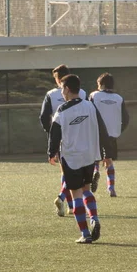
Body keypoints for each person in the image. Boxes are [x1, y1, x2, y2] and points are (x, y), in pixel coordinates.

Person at [47, 74, 114, 243]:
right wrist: (108, 152)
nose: (62, 92)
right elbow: (102, 129)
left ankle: (85, 234)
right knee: (87, 190)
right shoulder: (91, 106)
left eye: (62, 88)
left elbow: (55, 134)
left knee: (76, 194)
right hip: (90, 156)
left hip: (71, 157)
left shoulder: (62, 110)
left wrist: (51, 152)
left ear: (67, 89)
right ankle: (94, 219)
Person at [39, 64, 87, 217]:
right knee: (79, 172)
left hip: (60, 138)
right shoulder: (83, 93)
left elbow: (43, 117)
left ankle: (69, 203)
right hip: (80, 137)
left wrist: (52, 133)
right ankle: (68, 202)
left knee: (65, 170)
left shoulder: (51, 94)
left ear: (58, 79)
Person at [89, 73, 130, 197]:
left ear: (100, 84)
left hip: (96, 132)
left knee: (95, 159)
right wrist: (118, 130)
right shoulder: (119, 98)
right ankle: (111, 188)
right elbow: (126, 118)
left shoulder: (94, 95)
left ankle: (96, 171)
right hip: (112, 134)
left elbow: (88, 111)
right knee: (109, 160)